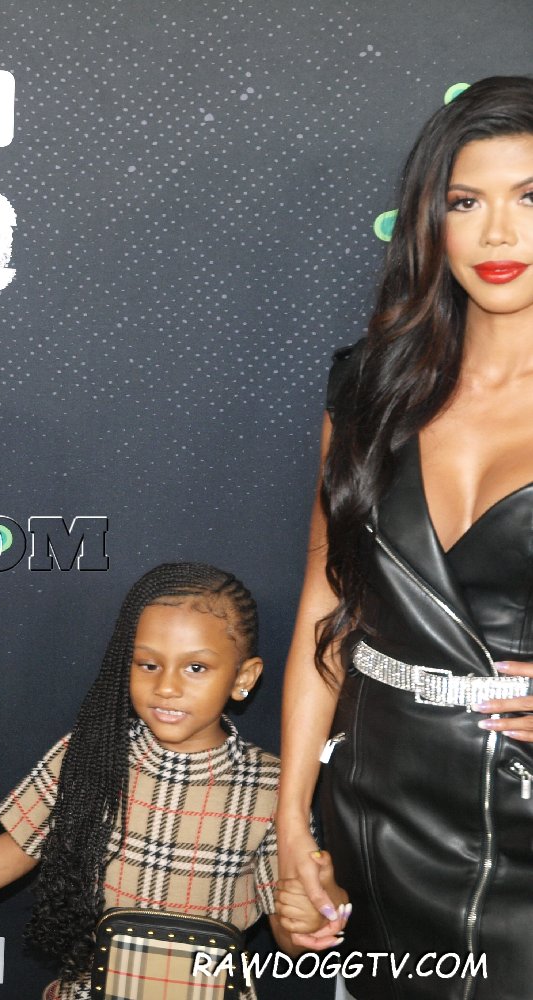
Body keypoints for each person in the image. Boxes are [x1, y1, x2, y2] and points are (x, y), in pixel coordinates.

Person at [277, 75, 533, 1000]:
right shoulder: (368, 388)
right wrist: (289, 814)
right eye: (465, 202)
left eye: (529, 198)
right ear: (431, 220)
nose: (496, 235)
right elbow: (327, 599)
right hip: (376, 805)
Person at [0, 563, 343, 999]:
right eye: (148, 664)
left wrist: (309, 918)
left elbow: (290, 936)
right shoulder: (92, 753)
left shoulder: (273, 786)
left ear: (243, 677)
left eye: (195, 668)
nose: (166, 686)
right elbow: (17, 848)